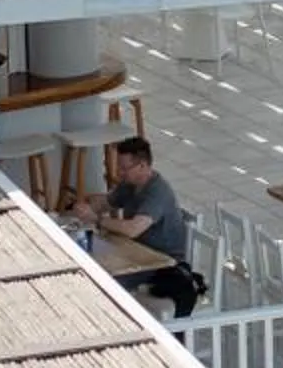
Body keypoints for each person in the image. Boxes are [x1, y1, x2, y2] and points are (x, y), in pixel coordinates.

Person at [77, 136, 205, 318]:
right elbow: (106, 202)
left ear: (143, 166)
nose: (120, 172)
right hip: (137, 256)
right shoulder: (130, 184)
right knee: (95, 273)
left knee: (103, 283)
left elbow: (133, 229)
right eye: (118, 167)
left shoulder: (157, 192)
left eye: (124, 168)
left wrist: (97, 220)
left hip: (163, 265)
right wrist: (87, 205)